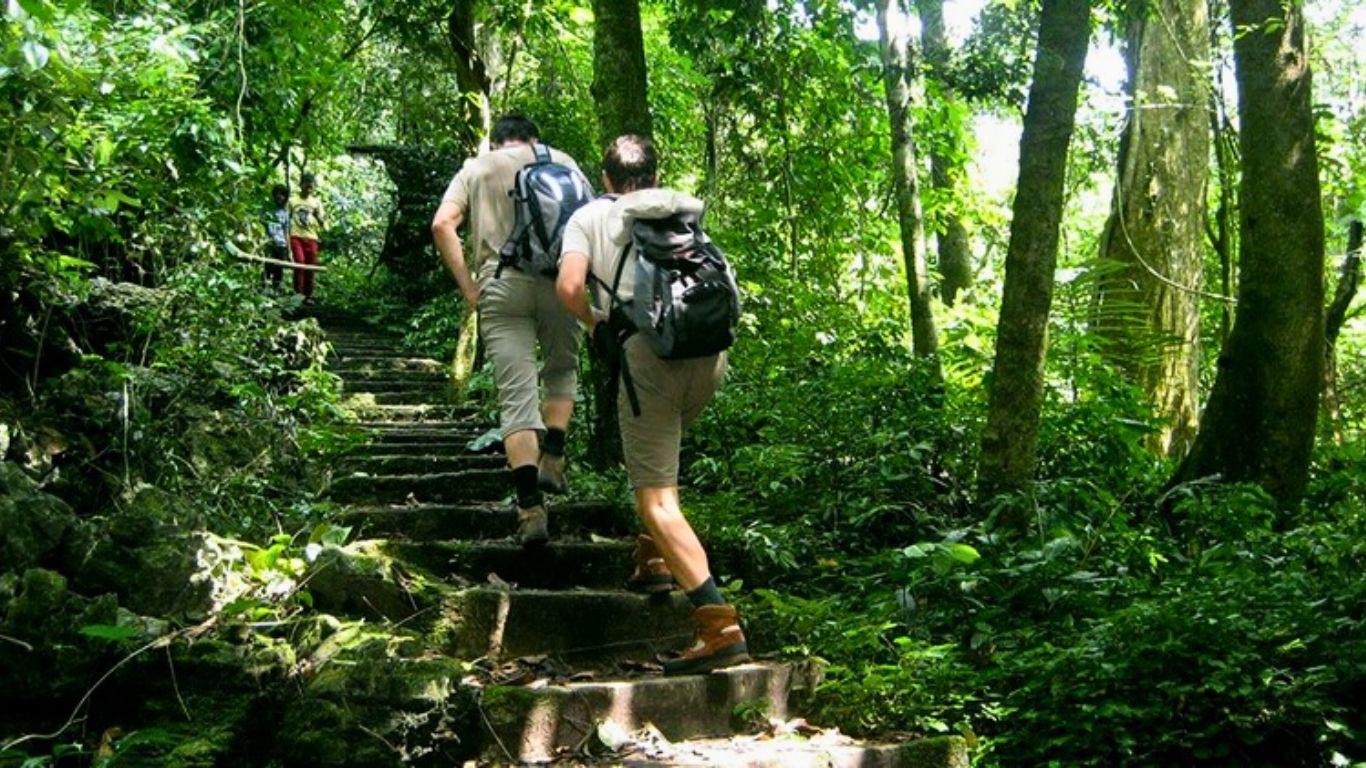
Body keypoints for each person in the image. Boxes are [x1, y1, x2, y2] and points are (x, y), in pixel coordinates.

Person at [556, 134, 748, 676]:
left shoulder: (590, 216)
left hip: (650, 357)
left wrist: (595, 321)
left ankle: (719, 624)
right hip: (708, 355)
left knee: (656, 499)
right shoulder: (679, 214)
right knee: (662, 464)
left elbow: (570, 286)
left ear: (607, 178)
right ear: (655, 174)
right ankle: (654, 559)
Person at [431, 115, 589, 546]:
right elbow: (593, 224)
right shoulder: (565, 161)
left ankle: (529, 507)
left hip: (500, 284)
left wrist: (469, 286)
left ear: (495, 141)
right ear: (535, 139)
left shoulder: (477, 168)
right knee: (561, 368)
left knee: (516, 394)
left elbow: (442, 224)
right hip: (560, 281)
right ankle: (553, 453)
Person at [288, 172, 326, 303]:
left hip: (311, 237)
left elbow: (322, 221)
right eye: (307, 186)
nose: (309, 189)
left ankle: (308, 295)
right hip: (296, 235)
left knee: (310, 265)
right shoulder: (292, 201)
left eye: (311, 187)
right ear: (301, 185)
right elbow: (286, 219)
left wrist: (318, 216)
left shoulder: (316, 202)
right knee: (300, 262)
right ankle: (298, 293)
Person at [263, 183, 290, 289]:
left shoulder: (285, 213)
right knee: (268, 266)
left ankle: (276, 289)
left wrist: (288, 247)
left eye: (282, 195)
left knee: (279, 268)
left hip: (281, 243)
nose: (280, 197)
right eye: (277, 194)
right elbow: (262, 225)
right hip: (269, 241)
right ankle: (265, 287)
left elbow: (286, 230)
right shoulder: (267, 210)